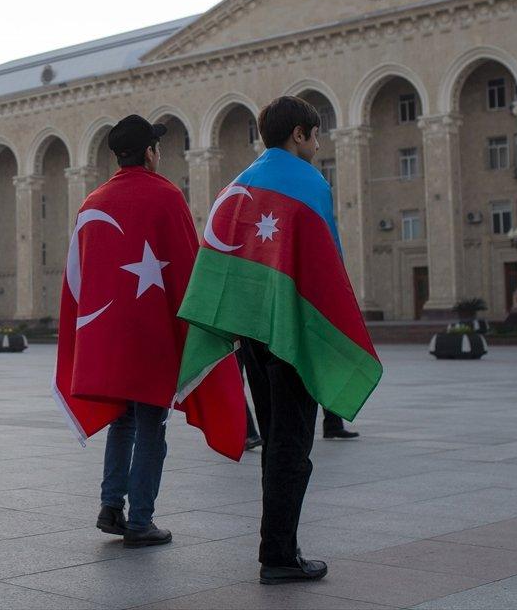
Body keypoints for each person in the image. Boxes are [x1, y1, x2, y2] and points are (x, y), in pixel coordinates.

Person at [176, 96, 382, 585]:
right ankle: (279, 556)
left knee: (274, 440)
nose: (318, 142)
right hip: (290, 331)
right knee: (292, 443)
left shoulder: (238, 185)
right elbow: (324, 263)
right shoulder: (308, 182)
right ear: (299, 135)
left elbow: (222, 263)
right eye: (316, 134)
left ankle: (277, 546)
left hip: (253, 335)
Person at [54, 115, 245, 549]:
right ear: (149, 153)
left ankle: (110, 507)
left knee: (122, 422)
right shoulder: (166, 196)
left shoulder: (93, 203)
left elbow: (78, 279)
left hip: (109, 337)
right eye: (157, 147)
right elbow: (188, 267)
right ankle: (140, 520)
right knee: (151, 426)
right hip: (152, 337)